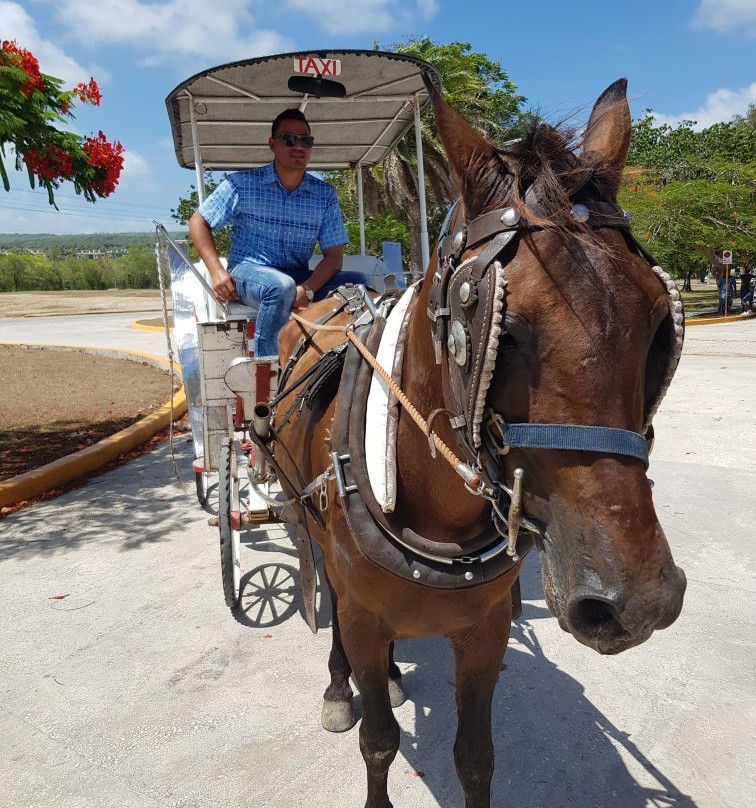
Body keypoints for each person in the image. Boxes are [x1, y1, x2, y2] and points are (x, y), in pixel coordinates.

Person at [188, 108, 365, 357]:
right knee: (280, 287)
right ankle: (270, 370)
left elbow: (334, 258)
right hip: (248, 273)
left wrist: (307, 290)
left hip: (297, 276)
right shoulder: (242, 184)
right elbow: (198, 221)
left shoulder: (323, 195)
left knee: (359, 286)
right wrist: (217, 272)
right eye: (289, 139)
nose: (298, 146)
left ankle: (350, 365)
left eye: (306, 140)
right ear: (272, 144)